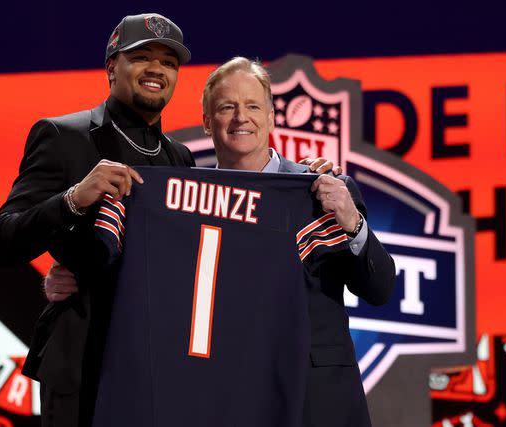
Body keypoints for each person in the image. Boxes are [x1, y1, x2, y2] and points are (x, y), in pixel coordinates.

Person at [43, 57, 395, 426]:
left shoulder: (320, 191)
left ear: (272, 117)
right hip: (224, 393)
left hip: (315, 397)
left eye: (253, 106)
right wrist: (71, 276)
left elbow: (380, 288)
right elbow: (147, 278)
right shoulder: (181, 202)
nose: (241, 117)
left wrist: (352, 222)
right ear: (208, 123)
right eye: (227, 107)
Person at [0, 13, 196, 427]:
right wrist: (73, 198)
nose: (156, 69)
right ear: (111, 68)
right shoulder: (63, 136)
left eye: (168, 62)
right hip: (83, 364)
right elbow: (5, 240)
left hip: (155, 366)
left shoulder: (181, 159)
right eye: (141, 57)